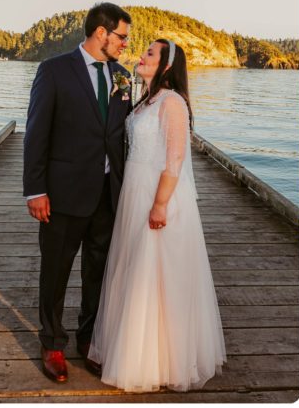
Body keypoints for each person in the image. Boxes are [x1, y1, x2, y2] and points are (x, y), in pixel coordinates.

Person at [89, 39, 226, 392]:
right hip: (134, 191)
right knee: (133, 268)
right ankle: (130, 347)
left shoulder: (172, 103)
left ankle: (158, 359)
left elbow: (175, 159)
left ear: (166, 66)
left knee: (156, 274)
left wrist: (160, 204)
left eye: (150, 53)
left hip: (156, 194)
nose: (141, 56)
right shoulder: (142, 102)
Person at [23, 2, 133, 382]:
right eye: (121, 37)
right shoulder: (54, 71)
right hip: (63, 192)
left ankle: (88, 339)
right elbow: (35, 133)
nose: (125, 45)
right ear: (101, 33)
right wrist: (35, 190)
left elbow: (121, 135)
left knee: (98, 271)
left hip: (108, 193)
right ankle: (52, 342)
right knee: (56, 270)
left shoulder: (122, 77)